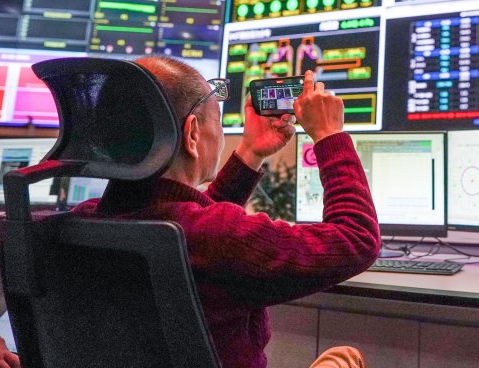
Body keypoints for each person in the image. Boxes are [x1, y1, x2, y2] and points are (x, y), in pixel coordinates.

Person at [73, 56, 380, 368]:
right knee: (344, 359)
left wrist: (251, 151)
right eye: (217, 121)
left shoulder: (77, 224)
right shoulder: (210, 238)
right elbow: (356, 238)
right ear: (193, 134)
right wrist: (330, 136)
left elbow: (190, 224)